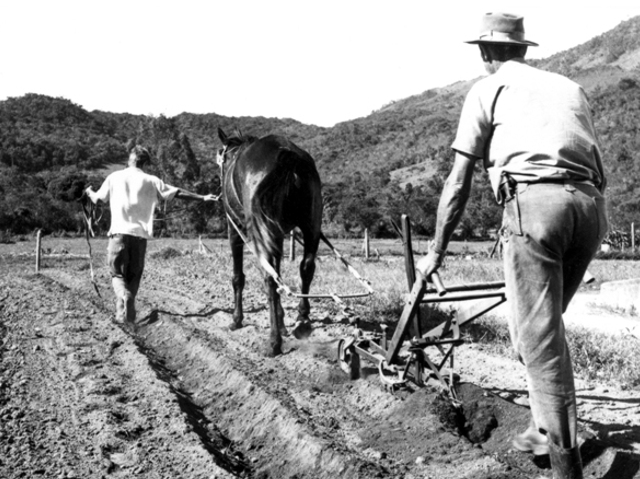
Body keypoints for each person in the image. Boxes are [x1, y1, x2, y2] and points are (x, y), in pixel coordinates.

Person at [416, 12, 607, 479]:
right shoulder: (569, 87)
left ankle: (564, 461)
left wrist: (435, 252)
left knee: (539, 339)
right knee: (539, 329)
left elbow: (458, 180)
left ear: (486, 52)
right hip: (590, 208)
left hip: (536, 209)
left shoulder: (487, 89)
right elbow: (595, 161)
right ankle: (543, 428)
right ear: (523, 48)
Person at [85, 145, 218, 328]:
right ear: (145, 163)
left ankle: (124, 298)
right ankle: (124, 317)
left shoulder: (114, 177)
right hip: (140, 238)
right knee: (134, 277)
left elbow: (98, 199)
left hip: (118, 236)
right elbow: (177, 192)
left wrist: (89, 192)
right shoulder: (152, 180)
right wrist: (202, 197)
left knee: (117, 275)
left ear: (130, 159)